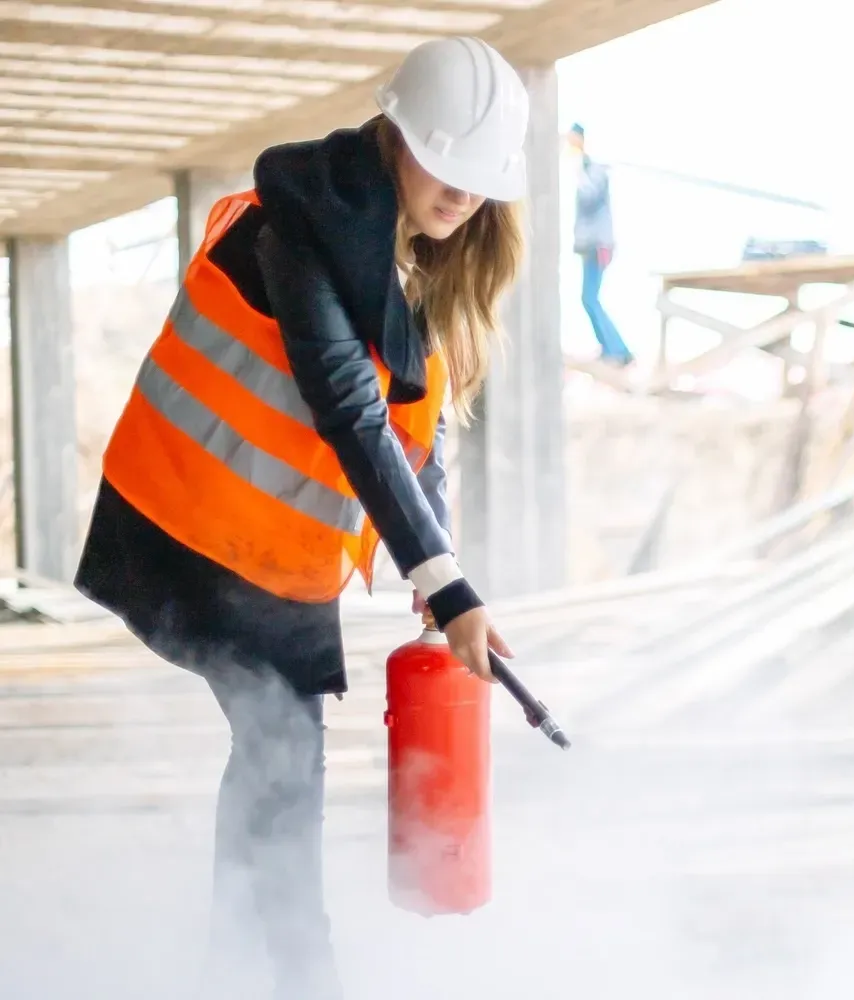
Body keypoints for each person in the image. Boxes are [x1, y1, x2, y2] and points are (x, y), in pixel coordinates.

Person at [74, 35, 529, 1000]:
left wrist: (433, 580)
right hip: (186, 531)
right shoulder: (306, 228)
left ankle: (250, 969)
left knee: (280, 751)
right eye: (443, 164)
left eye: (478, 180)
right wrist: (448, 588)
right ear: (397, 135)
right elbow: (346, 407)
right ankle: (289, 976)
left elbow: (413, 434)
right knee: (284, 752)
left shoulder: (390, 247)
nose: (458, 193)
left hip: (256, 550)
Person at [567, 122, 634, 366]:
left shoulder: (594, 170)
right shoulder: (588, 168)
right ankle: (614, 350)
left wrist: (577, 168)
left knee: (590, 298)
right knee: (589, 298)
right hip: (592, 246)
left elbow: (589, 197)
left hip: (598, 246)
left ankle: (616, 351)